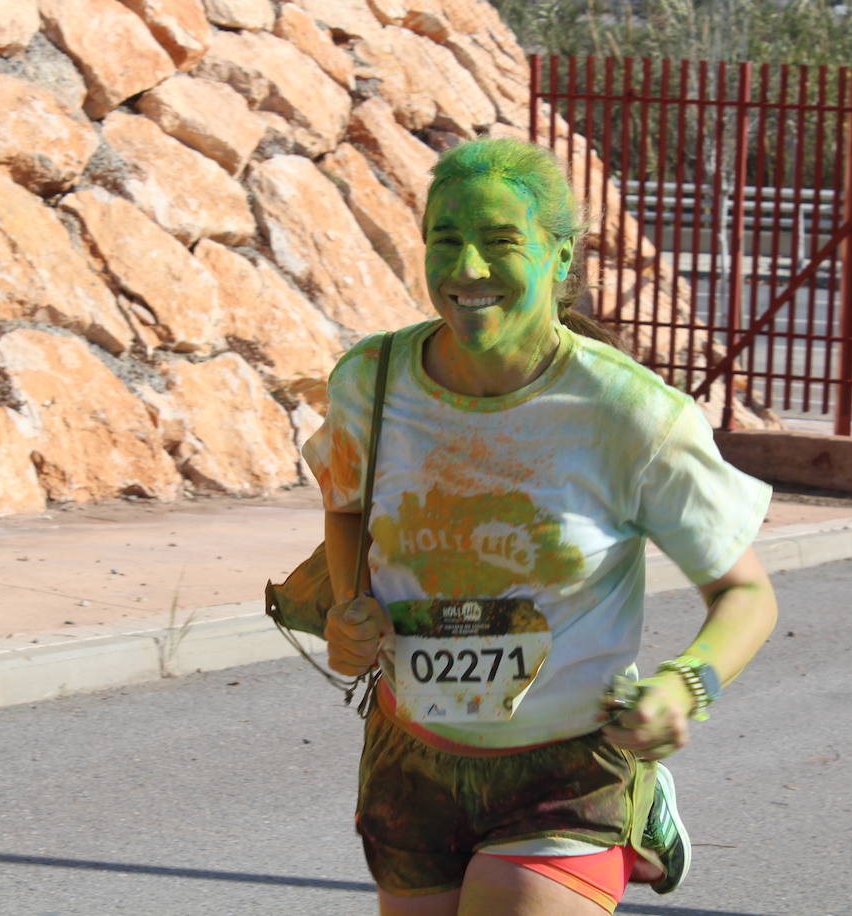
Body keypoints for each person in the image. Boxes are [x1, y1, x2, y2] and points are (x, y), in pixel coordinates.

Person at [301, 138, 778, 916]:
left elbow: (747, 594)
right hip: (409, 757)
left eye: (500, 243)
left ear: (561, 260)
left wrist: (686, 686)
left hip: (569, 770)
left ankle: (634, 810)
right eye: (446, 240)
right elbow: (346, 501)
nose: (468, 270)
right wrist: (348, 608)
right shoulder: (372, 380)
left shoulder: (629, 414)